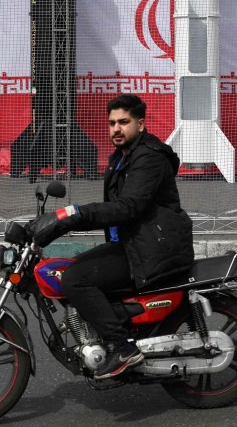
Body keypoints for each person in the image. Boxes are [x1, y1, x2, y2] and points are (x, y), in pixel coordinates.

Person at [27, 94, 195, 380]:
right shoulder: (121, 158)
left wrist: (74, 215)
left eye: (123, 122)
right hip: (133, 245)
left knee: (75, 279)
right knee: (78, 265)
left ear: (140, 124)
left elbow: (128, 207)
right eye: (112, 123)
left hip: (154, 251)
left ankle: (122, 346)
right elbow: (114, 211)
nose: (116, 129)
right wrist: (61, 220)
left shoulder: (149, 158)